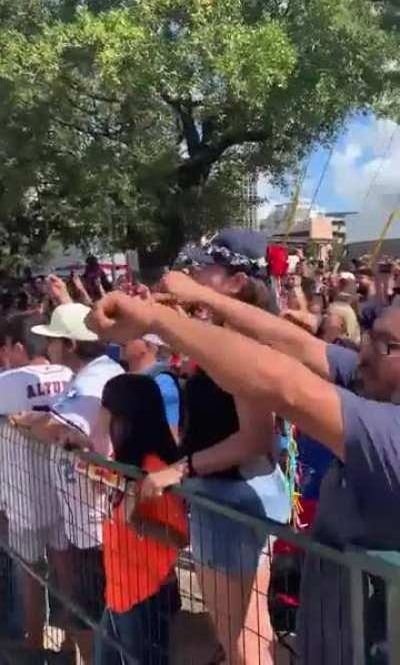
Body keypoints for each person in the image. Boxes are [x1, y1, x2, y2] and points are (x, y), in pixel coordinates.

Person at [87, 276, 400, 665]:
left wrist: (155, 321)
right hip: (337, 637)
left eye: (385, 345)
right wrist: (198, 296)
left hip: (366, 647)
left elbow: (283, 385)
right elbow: (296, 343)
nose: (363, 353)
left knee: (240, 639)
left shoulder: (392, 433)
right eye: (369, 336)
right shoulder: (375, 377)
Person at [139, 230, 289, 665]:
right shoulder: (231, 332)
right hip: (241, 491)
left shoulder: (241, 342)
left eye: (206, 267)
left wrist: (179, 469)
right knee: (250, 631)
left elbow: (255, 435)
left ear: (236, 283)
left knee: (240, 640)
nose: (194, 274)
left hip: (231, 495)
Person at [20, 303, 124, 664]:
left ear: (70, 344)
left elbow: (53, 428)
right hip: (91, 515)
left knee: (90, 609)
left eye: (53, 342)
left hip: (94, 522)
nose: (48, 349)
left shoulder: (93, 378)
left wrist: (25, 423)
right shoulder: (97, 372)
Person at [94, 374, 187, 665]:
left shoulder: (153, 469)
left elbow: (180, 537)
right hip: (118, 591)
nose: (101, 416)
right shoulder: (123, 462)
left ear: (125, 416)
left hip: (145, 595)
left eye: (106, 408)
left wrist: (138, 523)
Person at [0, 313, 72, 648]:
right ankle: (73, 641)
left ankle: (34, 645)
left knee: (30, 577)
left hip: (23, 499)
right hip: (66, 494)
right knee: (66, 573)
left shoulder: (9, 381)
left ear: (17, 347)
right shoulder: (68, 374)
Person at [121, 334, 181, 440]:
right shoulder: (122, 377)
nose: (122, 341)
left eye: (131, 336)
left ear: (148, 346)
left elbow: (170, 433)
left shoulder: (162, 381)